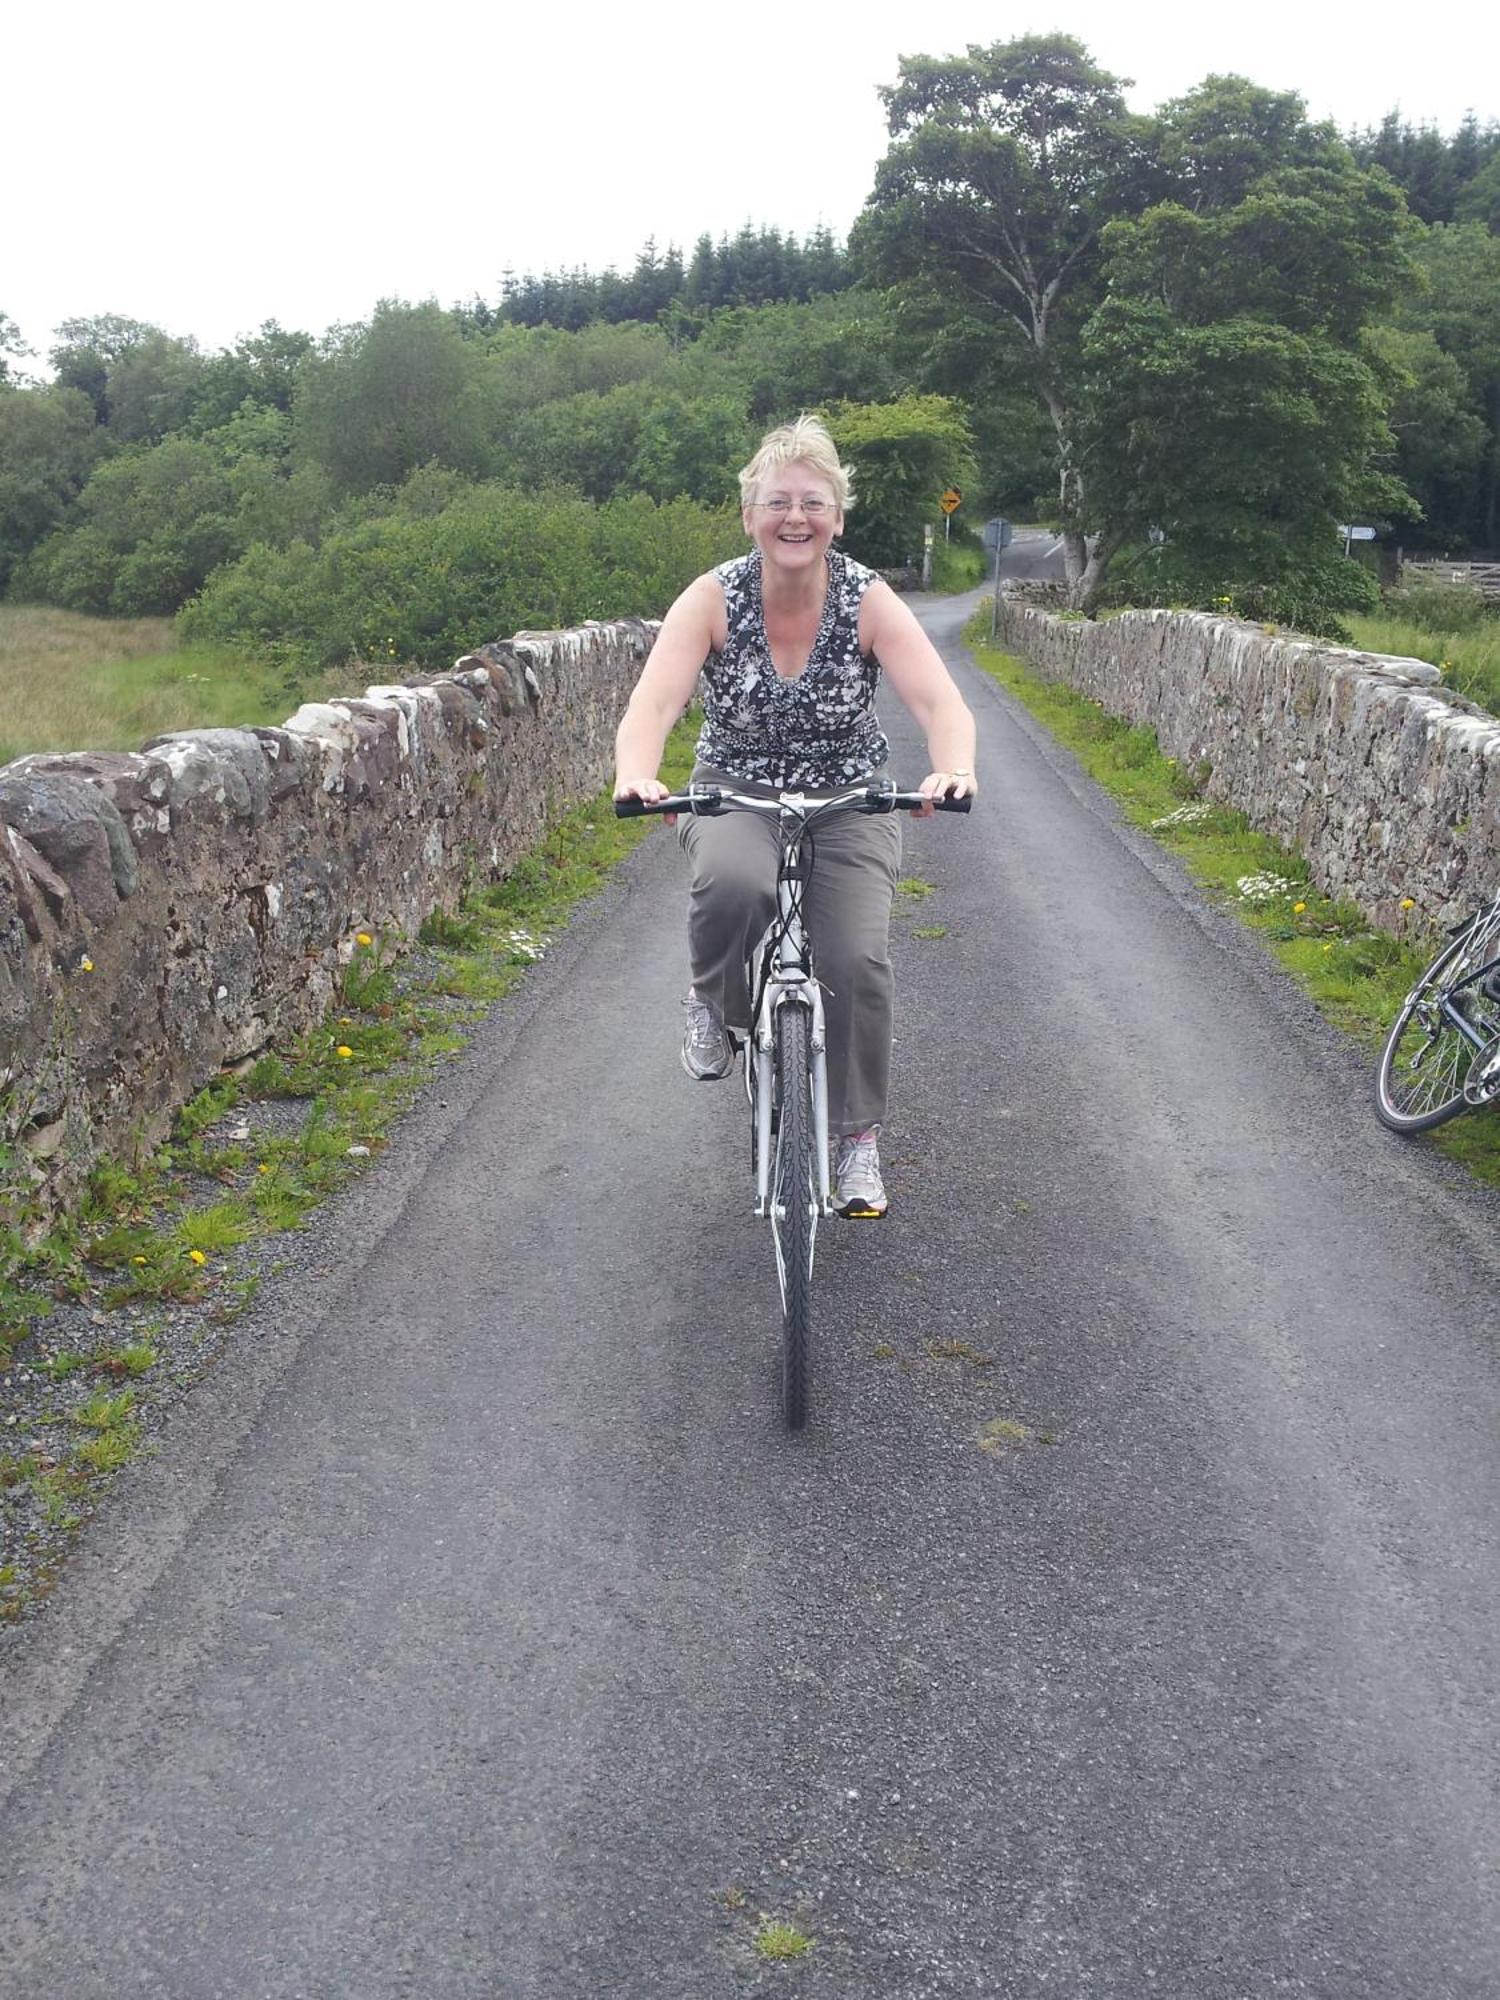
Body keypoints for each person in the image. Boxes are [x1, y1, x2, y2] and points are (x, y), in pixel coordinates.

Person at [613, 414, 977, 1219]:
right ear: (750, 517)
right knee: (735, 883)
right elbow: (656, 701)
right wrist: (638, 773)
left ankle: (855, 1143)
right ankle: (715, 1001)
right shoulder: (712, 598)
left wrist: (952, 768)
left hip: (850, 798)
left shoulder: (866, 600)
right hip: (735, 789)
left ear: (837, 517)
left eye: (814, 502)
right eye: (777, 501)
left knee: (855, 960)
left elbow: (939, 702)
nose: (795, 517)